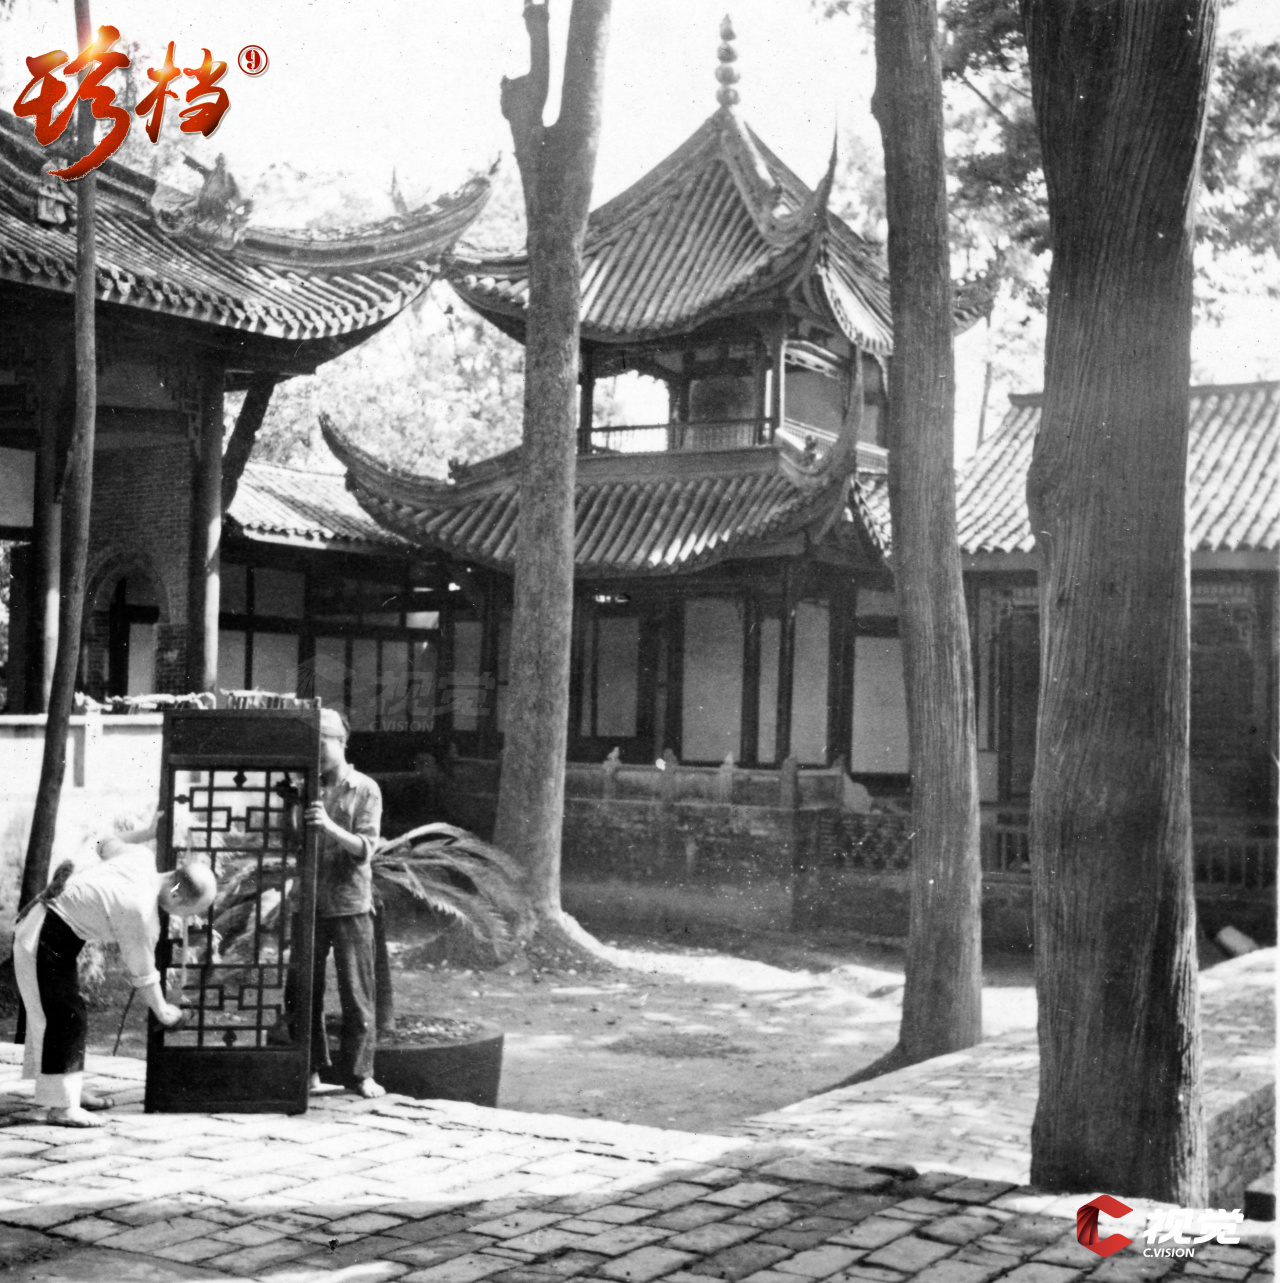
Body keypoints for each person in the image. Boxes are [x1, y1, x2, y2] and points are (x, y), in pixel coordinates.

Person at [14, 839, 217, 1128]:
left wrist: (147, 831)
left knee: (61, 1014)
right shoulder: (141, 913)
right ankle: (62, 1107)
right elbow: (143, 974)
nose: (188, 918)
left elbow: (103, 843)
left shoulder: (140, 856)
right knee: (65, 1017)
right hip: (42, 936)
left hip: (52, 933)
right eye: (190, 911)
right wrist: (163, 1012)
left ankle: (67, 1093)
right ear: (177, 897)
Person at [305, 707, 385, 1098]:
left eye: (322, 743)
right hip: (309, 903)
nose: (317, 753)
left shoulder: (366, 789)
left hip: (351, 903)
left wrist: (329, 827)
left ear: (341, 741)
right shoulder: (306, 786)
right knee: (303, 989)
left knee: (357, 991)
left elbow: (365, 848)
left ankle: (360, 1074)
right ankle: (308, 1069)